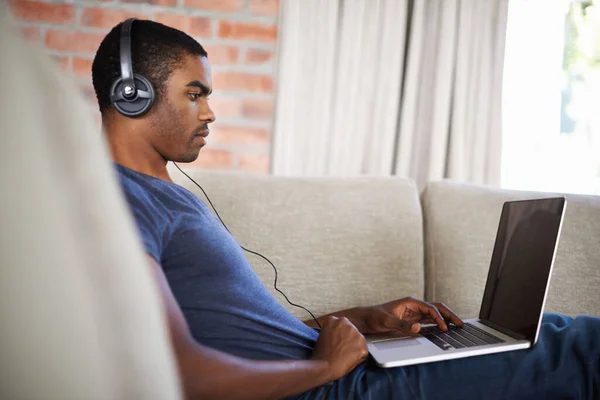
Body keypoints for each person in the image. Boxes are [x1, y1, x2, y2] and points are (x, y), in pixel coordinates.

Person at [92, 19, 600, 399]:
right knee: (577, 348)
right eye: (195, 94)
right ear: (133, 96)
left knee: (556, 331)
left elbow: (240, 337)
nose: (210, 112)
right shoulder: (122, 201)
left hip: (331, 373)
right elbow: (179, 372)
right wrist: (326, 369)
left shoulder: (160, 194)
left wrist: (361, 321)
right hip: (329, 390)